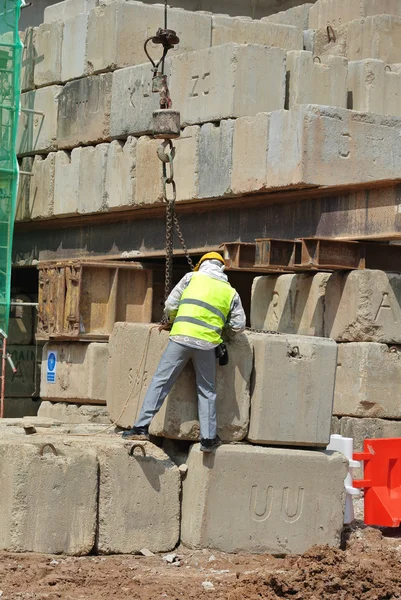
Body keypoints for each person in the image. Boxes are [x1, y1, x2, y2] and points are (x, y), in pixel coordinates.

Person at [122, 252, 246, 452]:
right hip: (207, 343)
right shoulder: (230, 291)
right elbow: (239, 325)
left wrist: (170, 320)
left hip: (180, 338)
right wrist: (225, 331)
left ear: (201, 265)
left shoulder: (191, 278)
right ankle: (207, 439)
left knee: (161, 381)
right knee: (207, 390)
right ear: (221, 268)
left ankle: (140, 427)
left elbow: (171, 305)